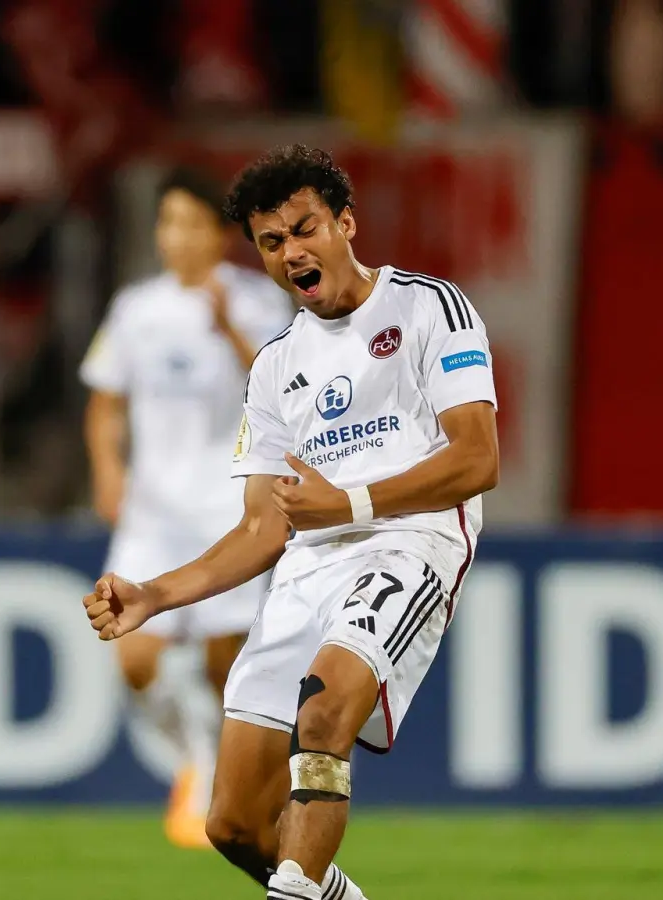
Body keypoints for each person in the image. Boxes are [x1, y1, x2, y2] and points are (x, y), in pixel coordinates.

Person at [84, 144, 499, 899]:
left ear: (345, 223)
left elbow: (478, 460)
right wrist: (154, 595)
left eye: (304, 229)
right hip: (312, 564)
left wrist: (348, 504)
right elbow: (259, 529)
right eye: (272, 243)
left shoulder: (428, 307)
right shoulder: (275, 366)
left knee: (324, 706)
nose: (291, 252)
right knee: (234, 824)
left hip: (412, 544)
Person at [79, 167, 293, 848]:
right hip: (153, 510)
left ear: (216, 234)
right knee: (134, 658)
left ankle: (217, 773)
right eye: (166, 222)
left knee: (224, 667)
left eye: (190, 223)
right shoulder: (135, 310)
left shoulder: (259, 301)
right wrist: (109, 469)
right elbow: (104, 403)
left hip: (227, 507)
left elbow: (285, 391)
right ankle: (196, 759)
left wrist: (229, 328)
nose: (176, 237)